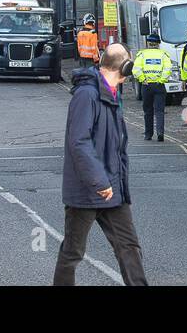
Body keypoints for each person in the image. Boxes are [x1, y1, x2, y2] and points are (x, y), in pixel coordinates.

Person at [53, 44, 147, 286]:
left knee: (128, 247)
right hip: (87, 190)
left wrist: (115, 184)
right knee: (73, 252)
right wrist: (99, 181)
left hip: (113, 189)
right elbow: (79, 142)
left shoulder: (111, 93)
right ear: (126, 67)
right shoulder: (87, 95)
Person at [132, 31, 172, 142]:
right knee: (159, 111)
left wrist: (142, 79)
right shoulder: (163, 55)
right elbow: (168, 69)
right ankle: (160, 133)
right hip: (159, 85)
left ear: (148, 43)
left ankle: (148, 134)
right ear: (158, 44)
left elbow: (136, 69)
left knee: (147, 111)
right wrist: (161, 80)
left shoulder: (142, 54)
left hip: (146, 85)